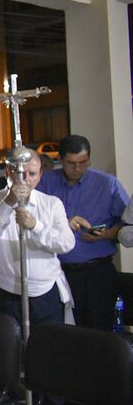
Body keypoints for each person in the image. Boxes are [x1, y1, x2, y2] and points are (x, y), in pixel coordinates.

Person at [37, 134, 131, 330]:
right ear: (60, 160)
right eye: (71, 163)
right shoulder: (46, 182)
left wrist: (107, 234)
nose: (78, 168)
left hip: (98, 271)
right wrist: (63, 224)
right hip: (58, 271)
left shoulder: (107, 184)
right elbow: (34, 222)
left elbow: (127, 225)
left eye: (83, 162)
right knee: (64, 331)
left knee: (100, 331)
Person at [0, 150, 75, 329]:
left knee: (47, 348)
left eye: (32, 174)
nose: (25, 179)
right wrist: (8, 202)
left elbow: (66, 243)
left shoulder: (52, 203)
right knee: (4, 350)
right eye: (20, 173)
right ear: (8, 172)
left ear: (40, 176)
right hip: (1, 292)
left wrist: (35, 226)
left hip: (43, 293)